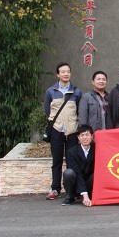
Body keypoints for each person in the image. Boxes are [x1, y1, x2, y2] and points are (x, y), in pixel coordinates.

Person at [43, 62, 83, 200]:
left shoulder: (76, 92)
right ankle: (55, 188)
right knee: (57, 161)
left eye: (68, 71)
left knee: (72, 161)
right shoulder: (51, 91)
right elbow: (47, 111)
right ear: (58, 74)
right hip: (57, 130)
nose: (66, 74)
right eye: (63, 72)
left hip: (72, 131)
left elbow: (78, 111)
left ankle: (72, 189)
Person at [62, 124, 95, 207]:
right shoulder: (71, 152)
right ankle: (70, 196)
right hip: (76, 182)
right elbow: (77, 172)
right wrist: (85, 195)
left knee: (97, 174)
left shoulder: (96, 149)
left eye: (87, 135)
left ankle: (93, 195)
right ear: (78, 137)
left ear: (92, 136)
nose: (85, 138)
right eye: (82, 135)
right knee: (68, 173)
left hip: (89, 183)